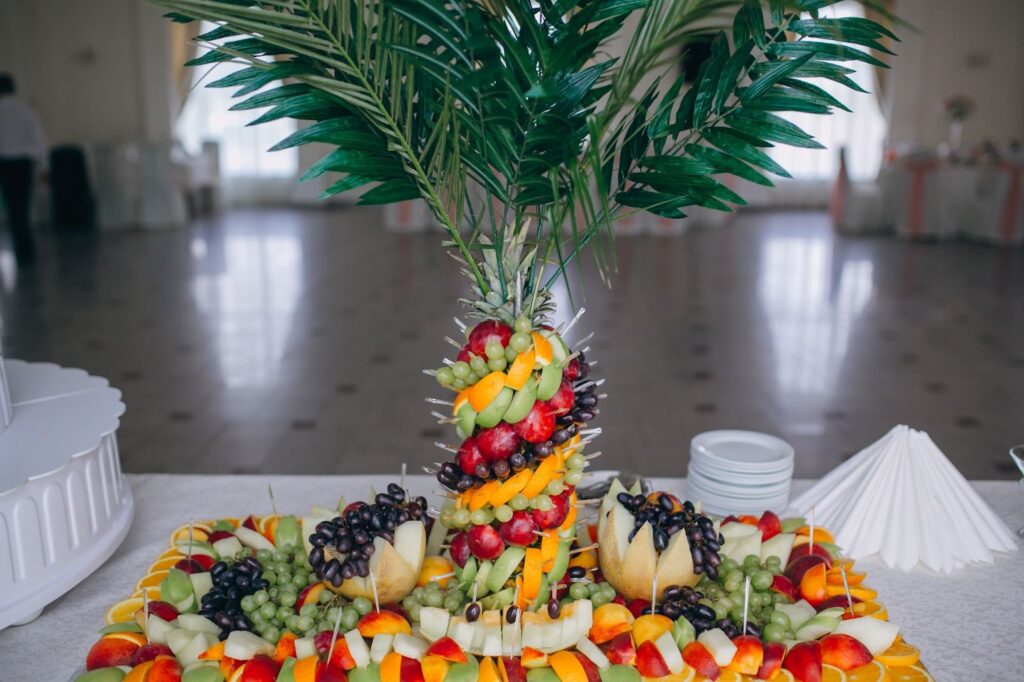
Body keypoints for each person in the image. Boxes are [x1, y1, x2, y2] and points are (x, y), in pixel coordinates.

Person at [0, 73, 48, 266]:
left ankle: (20, 246)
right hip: (23, 164)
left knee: (11, 206)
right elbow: (38, 139)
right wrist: (45, 165)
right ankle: (25, 248)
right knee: (22, 205)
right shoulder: (26, 110)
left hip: (3, 163)